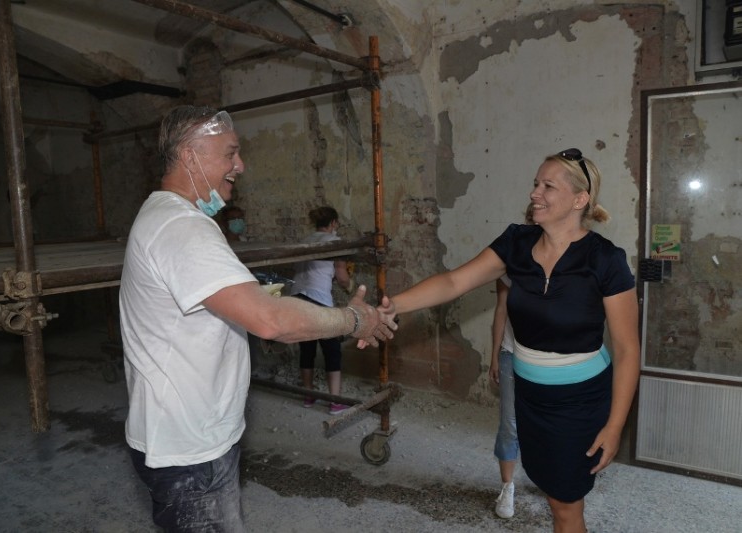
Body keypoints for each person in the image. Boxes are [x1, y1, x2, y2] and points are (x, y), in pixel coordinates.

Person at [119, 105, 396, 532]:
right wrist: (354, 320)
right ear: (190, 156)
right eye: (230, 153)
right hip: (188, 449)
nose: (240, 165)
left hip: (196, 438)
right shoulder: (181, 227)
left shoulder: (171, 217)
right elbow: (271, 322)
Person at [376, 148, 639, 533]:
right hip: (530, 394)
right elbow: (453, 281)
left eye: (548, 186)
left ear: (579, 200)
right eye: (535, 184)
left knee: (566, 505)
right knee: (550, 489)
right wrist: (390, 307)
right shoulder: (516, 242)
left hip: (580, 401)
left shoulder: (605, 260)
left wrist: (614, 427)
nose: (535, 193)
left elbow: (628, 350)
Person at [291, 206, 355, 415]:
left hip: (297, 297)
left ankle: (308, 395)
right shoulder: (335, 242)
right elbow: (342, 275)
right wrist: (350, 286)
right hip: (318, 298)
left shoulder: (304, 241)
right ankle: (335, 402)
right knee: (332, 350)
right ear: (334, 223)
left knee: (307, 348)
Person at [488, 275, 517, 519]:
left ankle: (549, 478)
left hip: (548, 361)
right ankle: (507, 487)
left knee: (548, 422)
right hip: (512, 353)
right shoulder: (509, 266)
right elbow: (501, 308)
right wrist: (495, 355)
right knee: (509, 424)